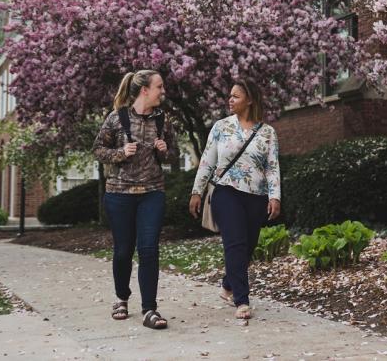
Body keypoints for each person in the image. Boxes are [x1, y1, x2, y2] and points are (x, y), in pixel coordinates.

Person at [189, 79, 281, 320]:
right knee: (236, 244)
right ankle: (242, 300)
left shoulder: (268, 133)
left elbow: (272, 167)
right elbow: (207, 161)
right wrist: (196, 191)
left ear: (249, 100)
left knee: (247, 247)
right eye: (230, 96)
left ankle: (229, 284)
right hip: (226, 192)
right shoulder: (221, 127)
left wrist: (275, 196)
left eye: (236, 96)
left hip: (256, 197)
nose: (230, 100)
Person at [92, 70, 169, 330]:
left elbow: (174, 154)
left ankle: (150, 310)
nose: (163, 91)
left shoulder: (162, 121)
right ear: (144, 90)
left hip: (152, 193)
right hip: (119, 194)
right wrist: (121, 153)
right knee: (124, 250)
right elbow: (98, 150)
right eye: (159, 86)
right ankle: (121, 298)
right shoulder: (117, 118)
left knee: (148, 250)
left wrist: (165, 150)